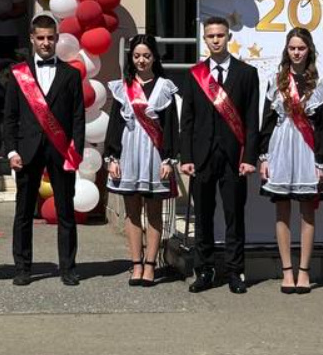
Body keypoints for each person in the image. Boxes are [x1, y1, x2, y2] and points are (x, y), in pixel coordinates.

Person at [3, 15, 86, 287]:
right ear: (32, 38)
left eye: (50, 37)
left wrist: (76, 151)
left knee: (66, 212)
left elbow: (78, 117)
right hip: (27, 150)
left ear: (57, 38)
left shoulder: (71, 74)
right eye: (40, 38)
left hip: (61, 151)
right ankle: (22, 268)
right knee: (24, 212)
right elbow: (10, 117)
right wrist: (11, 151)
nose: (46, 43)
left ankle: (68, 268)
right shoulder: (19, 73)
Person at [180, 16, 261, 294]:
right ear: (204, 39)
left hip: (234, 158)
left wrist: (249, 157)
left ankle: (235, 271)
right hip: (202, 156)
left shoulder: (246, 74)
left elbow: (252, 120)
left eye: (220, 35)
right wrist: (186, 157)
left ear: (229, 37)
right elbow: (187, 119)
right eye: (211, 36)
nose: (216, 40)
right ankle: (204, 270)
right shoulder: (195, 74)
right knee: (202, 217)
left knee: (234, 215)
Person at [258, 27, 323, 295]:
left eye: (301, 48)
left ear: (309, 50)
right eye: (292, 48)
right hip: (280, 146)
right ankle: (286, 270)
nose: (296, 53)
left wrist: (321, 162)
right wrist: (264, 157)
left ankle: (304, 270)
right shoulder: (276, 81)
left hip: (307, 149)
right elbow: (267, 121)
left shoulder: (321, 85)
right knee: (281, 210)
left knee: (307, 211)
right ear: (286, 50)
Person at [105, 35, 179, 288]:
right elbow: (115, 123)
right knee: (132, 210)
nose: (141, 60)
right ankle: (136, 263)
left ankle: (150, 264)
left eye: (146, 55)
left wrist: (169, 158)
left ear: (154, 57)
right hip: (129, 150)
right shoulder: (123, 87)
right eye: (136, 56)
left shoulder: (164, 87)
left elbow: (170, 126)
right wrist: (112, 157)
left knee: (154, 211)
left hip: (155, 153)